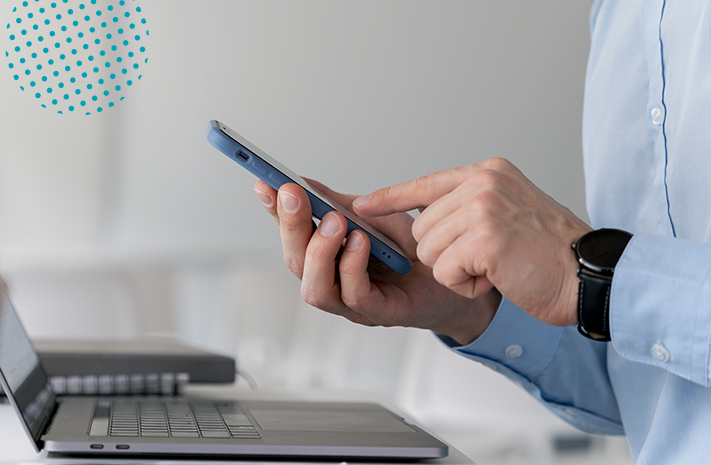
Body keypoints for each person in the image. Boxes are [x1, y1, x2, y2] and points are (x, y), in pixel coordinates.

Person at [251, 1, 711, 463]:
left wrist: (602, 278)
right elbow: (655, 391)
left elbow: (626, 298)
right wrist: (472, 306)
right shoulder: (620, 15)